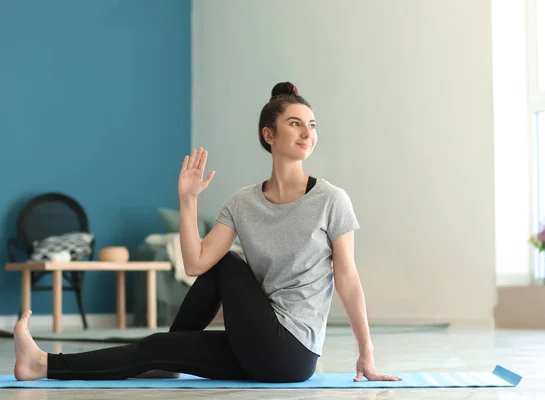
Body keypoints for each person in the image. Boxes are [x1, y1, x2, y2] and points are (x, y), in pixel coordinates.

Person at [12, 82, 401, 383]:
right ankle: (42, 364)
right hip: (255, 345)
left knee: (228, 263)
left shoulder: (331, 200)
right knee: (156, 347)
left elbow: (348, 279)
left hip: (293, 352)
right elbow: (196, 263)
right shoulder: (242, 203)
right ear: (269, 134)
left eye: (311, 125)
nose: (307, 133)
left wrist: (366, 352)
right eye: (294, 123)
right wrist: (188, 201)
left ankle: (169, 353)